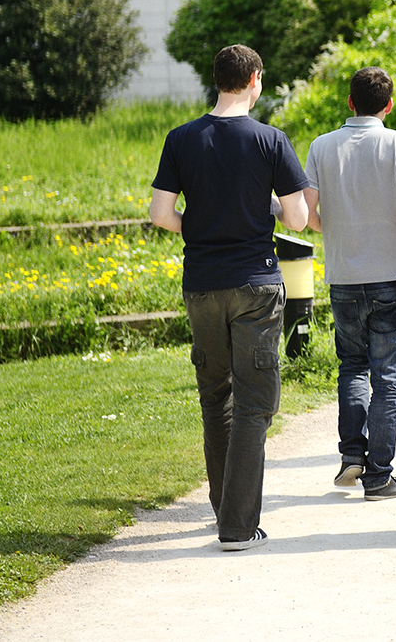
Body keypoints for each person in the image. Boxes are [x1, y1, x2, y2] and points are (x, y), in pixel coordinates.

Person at [149, 45, 309, 552]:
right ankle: (238, 526)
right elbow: (298, 218)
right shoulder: (270, 140)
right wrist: (266, 206)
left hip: (201, 282)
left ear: (216, 80)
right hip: (256, 283)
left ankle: (225, 508)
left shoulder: (181, 138)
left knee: (215, 396)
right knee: (255, 403)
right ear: (255, 79)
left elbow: (160, 213)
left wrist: (200, 230)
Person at [302, 65, 396, 501]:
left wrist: (330, 228)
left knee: (351, 366)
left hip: (344, 274)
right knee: (387, 377)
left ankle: (352, 453)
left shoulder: (321, 145)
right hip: (392, 274)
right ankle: (379, 475)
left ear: (349, 102)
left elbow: (307, 213)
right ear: (389, 105)